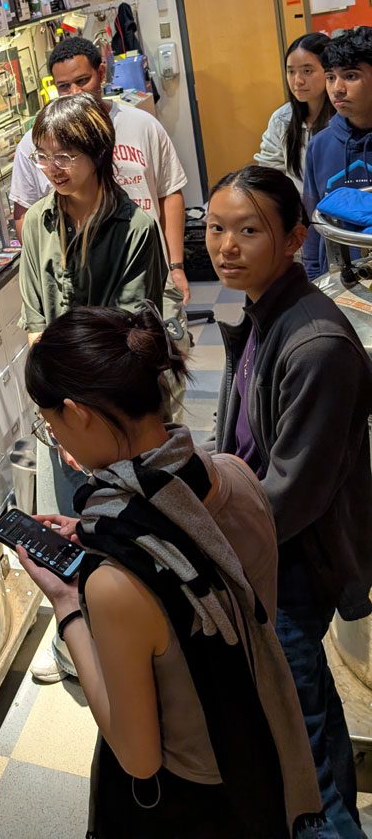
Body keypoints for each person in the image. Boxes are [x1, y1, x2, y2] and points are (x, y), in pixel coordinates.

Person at [17, 304, 327, 838]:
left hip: (194, 798)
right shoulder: (235, 478)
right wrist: (99, 533)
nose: (59, 442)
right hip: (258, 743)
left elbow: (138, 758)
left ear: (79, 413)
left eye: (52, 427)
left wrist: (68, 607)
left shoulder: (114, 583)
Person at [206, 165, 372, 837]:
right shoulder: (264, 312)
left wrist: (216, 544)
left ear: (296, 238)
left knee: (298, 745)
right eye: (217, 228)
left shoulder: (316, 344)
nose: (226, 246)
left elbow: (289, 496)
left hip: (292, 564)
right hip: (271, 550)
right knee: (310, 710)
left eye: (250, 230)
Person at [20, 91, 166, 682]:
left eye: (65, 155)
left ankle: (133, 634)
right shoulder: (36, 222)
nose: (53, 168)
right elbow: (35, 322)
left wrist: (88, 419)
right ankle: (78, 634)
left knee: (124, 519)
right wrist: (58, 414)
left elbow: (133, 334)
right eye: (43, 155)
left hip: (113, 407)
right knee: (69, 517)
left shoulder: (136, 228)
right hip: (61, 406)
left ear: (98, 152)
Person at [9, 36, 191, 308]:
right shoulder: (34, 143)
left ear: (102, 72)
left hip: (145, 264)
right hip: (78, 285)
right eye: (63, 86)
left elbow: (169, 193)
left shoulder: (143, 126)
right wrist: (47, 276)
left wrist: (175, 264)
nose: (74, 93)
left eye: (82, 81)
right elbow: (25, 214)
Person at [302, 26, 372, 279]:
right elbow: (312, 221)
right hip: (337, 277)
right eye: (331, 77)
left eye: (350, 76)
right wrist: (312, 276)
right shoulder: (320, 145)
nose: (337, 89)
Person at [255, 32, 333, 191]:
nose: (298, 81)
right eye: (291, 71)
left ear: (329, 71)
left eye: (307, 71)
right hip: (296, 210)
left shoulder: (346, 118)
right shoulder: (282, 119)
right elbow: (269, 171)